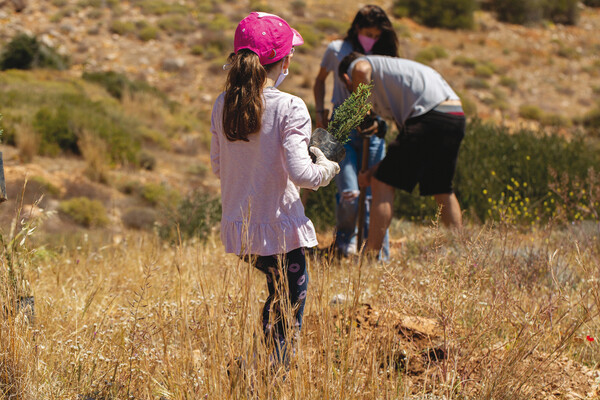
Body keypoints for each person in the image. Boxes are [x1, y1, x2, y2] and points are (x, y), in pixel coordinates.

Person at [210, 12, 340, 364]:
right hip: (279, 230)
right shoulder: (290, 106)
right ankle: (270, 371)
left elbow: (218, 166)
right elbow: (302, 174)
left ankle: (261, 362)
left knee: (278, 291)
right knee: (290, 298)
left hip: (241, 228)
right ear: (282, 61)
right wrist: (327, 167)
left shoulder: (223, 104)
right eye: (291, 53)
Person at [338, 52, 465, 255]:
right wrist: (371, 173)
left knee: (382, 183)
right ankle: (463, 255)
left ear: (347, 79)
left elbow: (361, 70)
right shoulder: (392, 79)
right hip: (454, 115)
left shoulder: (358, 66)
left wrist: (361, 111)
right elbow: (405, 148)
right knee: (442, 188)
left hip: (428, 115)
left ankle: (370, 257)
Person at [313, 5, 399, 259]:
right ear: (357, 29)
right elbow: (319, 81)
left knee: (373, 194)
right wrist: (320, 113)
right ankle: (344, 245)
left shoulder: (383, 55)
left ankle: (373, 251)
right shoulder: (337, 50)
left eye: (376, 34)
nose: (371, 38)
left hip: (373, 127)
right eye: (367, 33)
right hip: (340, 125)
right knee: (349, 192)